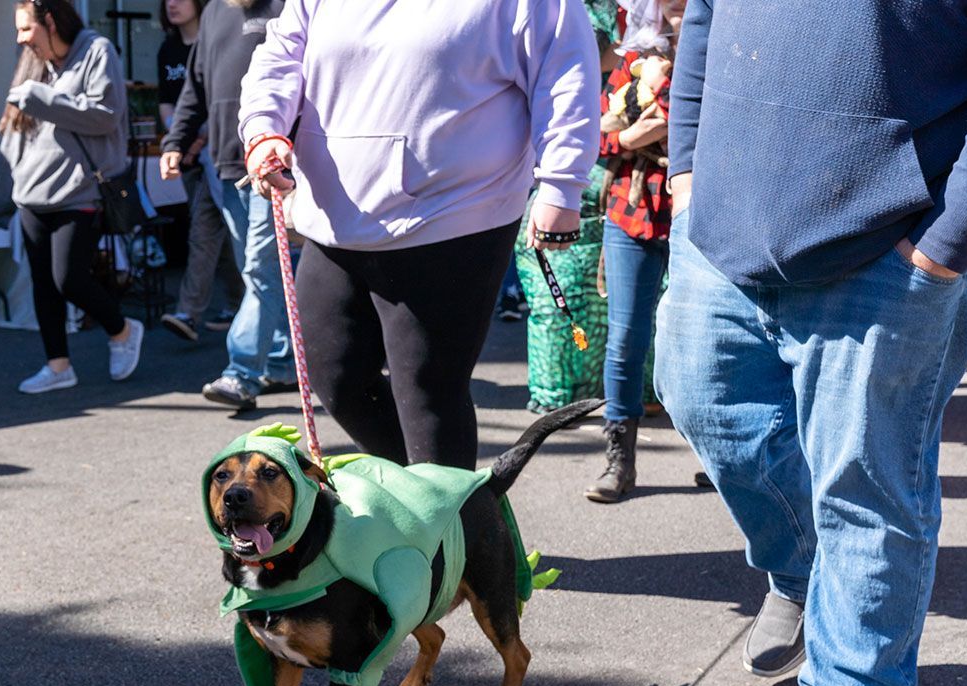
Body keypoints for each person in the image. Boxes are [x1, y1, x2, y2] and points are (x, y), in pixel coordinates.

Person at [655, 0, 967, 686]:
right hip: (721, 233)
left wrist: (943, 247)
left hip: (888, 248)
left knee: (865, 480)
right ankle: (801, 572)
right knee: (700, 399)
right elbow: (703, 25)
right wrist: (688, 177)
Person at [239, 1, 600, 468]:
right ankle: (430, 507)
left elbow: (564, 72)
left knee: (428, 394)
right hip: (335, 215)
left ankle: (449, 531)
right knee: (335, 377)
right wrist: (263, 128)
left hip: (453, 217)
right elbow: (281, 55)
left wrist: (562, 185)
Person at [0, 0, 143, 395]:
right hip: (31, 194)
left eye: (26, 29)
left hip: (80, 192)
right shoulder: (34, 63)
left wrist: (40, 98)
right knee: (44, 284)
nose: (21, 38)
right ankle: (58, 365)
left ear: (51, 22)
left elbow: (105, 114)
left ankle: (123, 331)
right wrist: (4, 196)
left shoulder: (97, 51)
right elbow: (12, 137)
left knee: (69, 279)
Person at [160, 0, 295, 412]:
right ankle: (282, 359)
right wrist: (174, 142)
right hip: (224, 163)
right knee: (260, 269)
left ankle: (242, 371)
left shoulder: (285, 5)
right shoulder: (216, 12)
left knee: (259, 268)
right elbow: (194, 89)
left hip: (271, 162)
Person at [584, 0, 677, 503]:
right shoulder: (629, 61)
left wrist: (643, 129)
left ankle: (722, 454)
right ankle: (619, 461)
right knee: (624, 337)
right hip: (632, 210)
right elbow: (598, 141)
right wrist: (644, 130)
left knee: (704, 338)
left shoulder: (719, 54)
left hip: (700, 208)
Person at [512, 0, 620, 416]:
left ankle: (593, 392)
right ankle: (554, 395)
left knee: (600, 307)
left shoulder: (628, 55)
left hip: (603, 191)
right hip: (552, 185)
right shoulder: (554, 18)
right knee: (554, 303)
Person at [155, 0, 244, 342]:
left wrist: (195, 140)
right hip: (193, 156)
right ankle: (224, 308)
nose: (172, 4)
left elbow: (224, 98)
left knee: (224, 238)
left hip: (225, 151)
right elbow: (175, 99)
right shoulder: (169, 48)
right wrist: (177, 141)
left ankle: (198, 312)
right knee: (212, 234)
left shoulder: (228, 25)